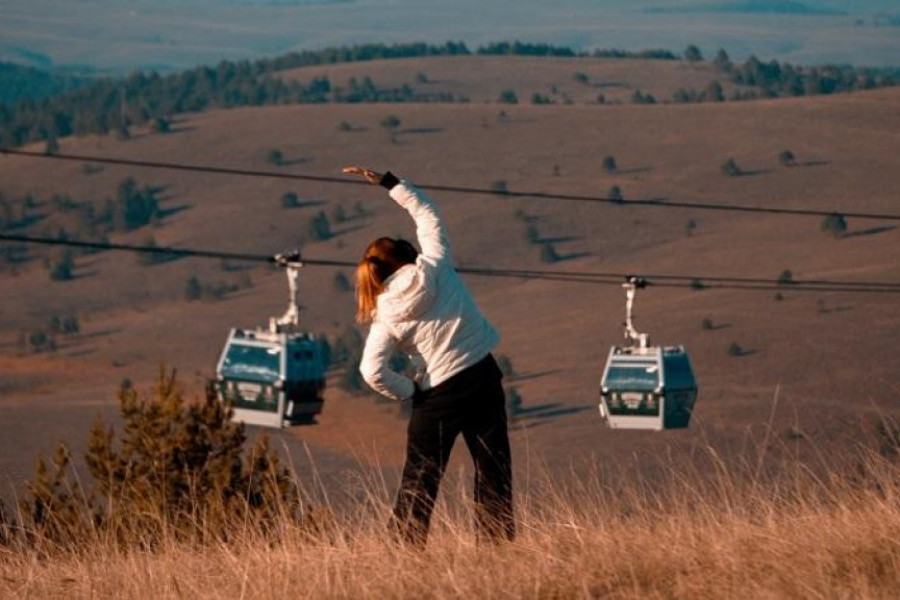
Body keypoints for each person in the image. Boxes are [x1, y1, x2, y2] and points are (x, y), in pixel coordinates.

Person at [343, 165, 514, 547]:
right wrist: (390, 182)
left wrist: (410, 390)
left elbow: (371, 371)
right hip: (482, 375)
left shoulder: (385, 315)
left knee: (420, 477)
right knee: (493, 468)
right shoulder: (435, 263)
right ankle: (497, 548)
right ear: (406, 254)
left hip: (438, 394)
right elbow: (428, 214)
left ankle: (406, 553)